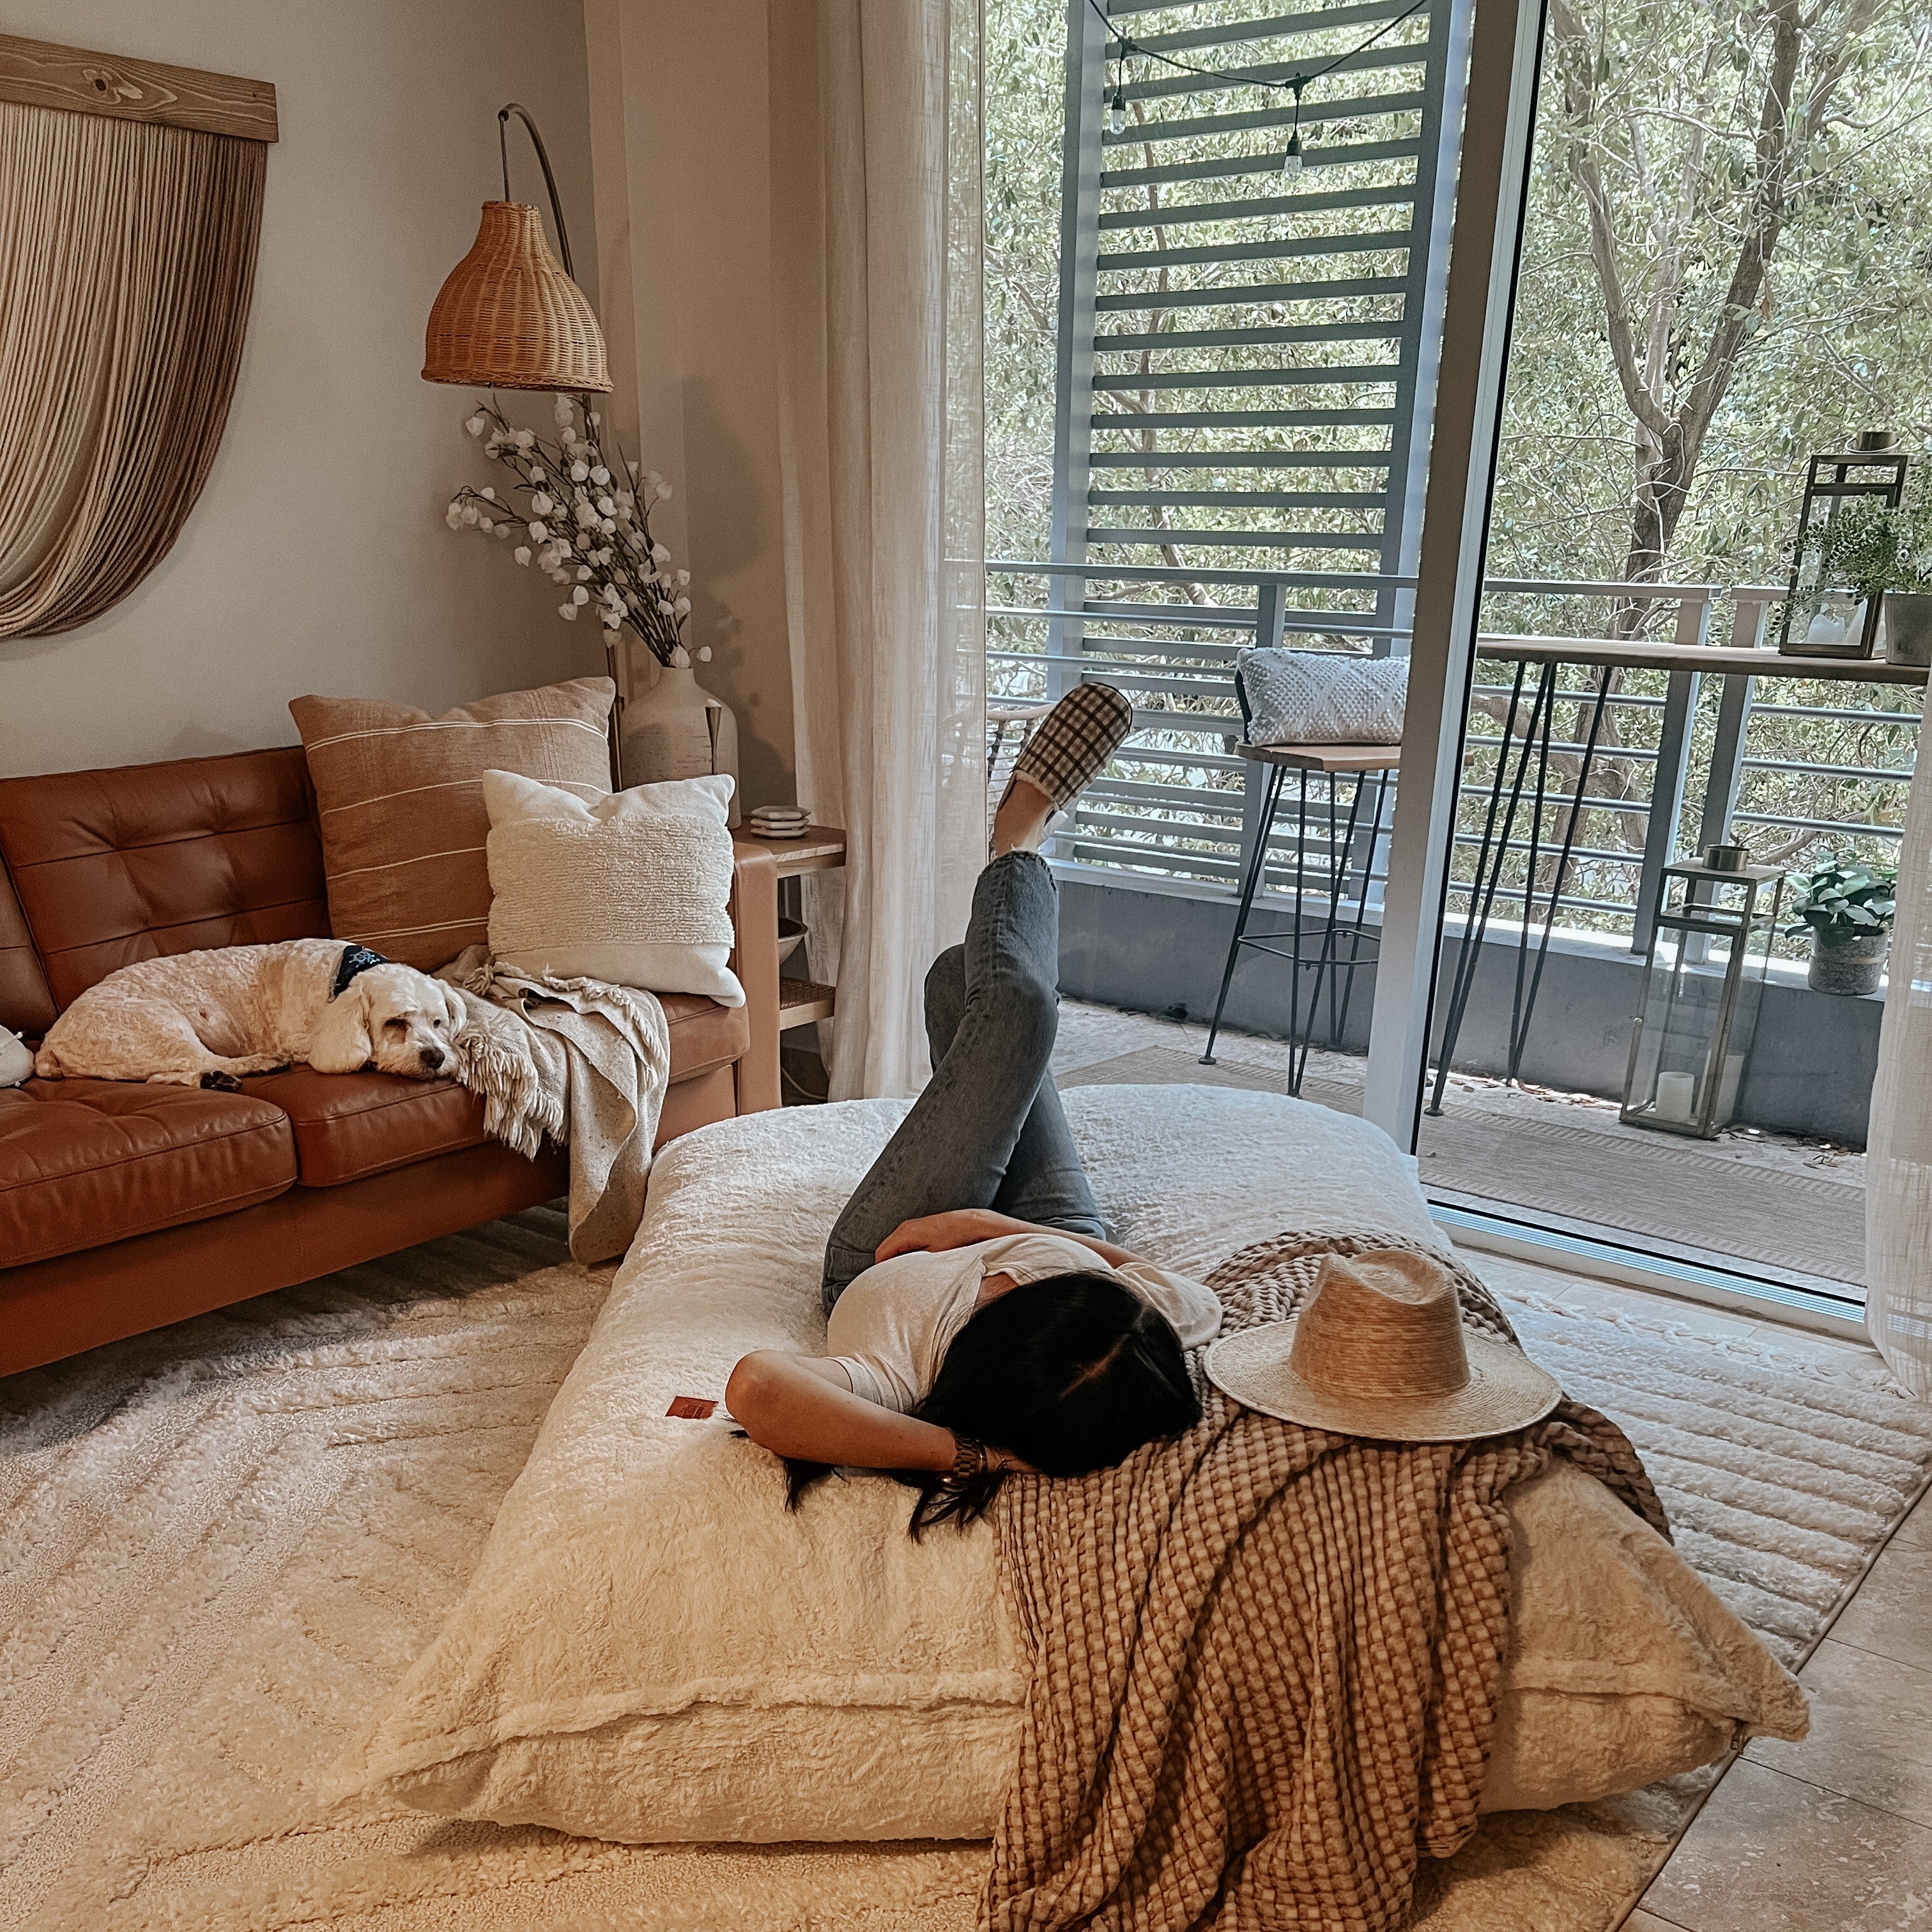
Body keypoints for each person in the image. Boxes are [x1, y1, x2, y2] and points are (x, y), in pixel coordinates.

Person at [726, 685, 1222, 1534]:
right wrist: (993, 1231)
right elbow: (1176, 1289)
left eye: (995, 1304)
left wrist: (972, 1454)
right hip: (1047, 1226)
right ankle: (1017, 849)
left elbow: (759, 1389)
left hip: (887, 1249)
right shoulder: (1136, 1337)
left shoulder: (897, 1367)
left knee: (993, 998)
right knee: (967, 984)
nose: (1000, 1282)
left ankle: (1015, 840)